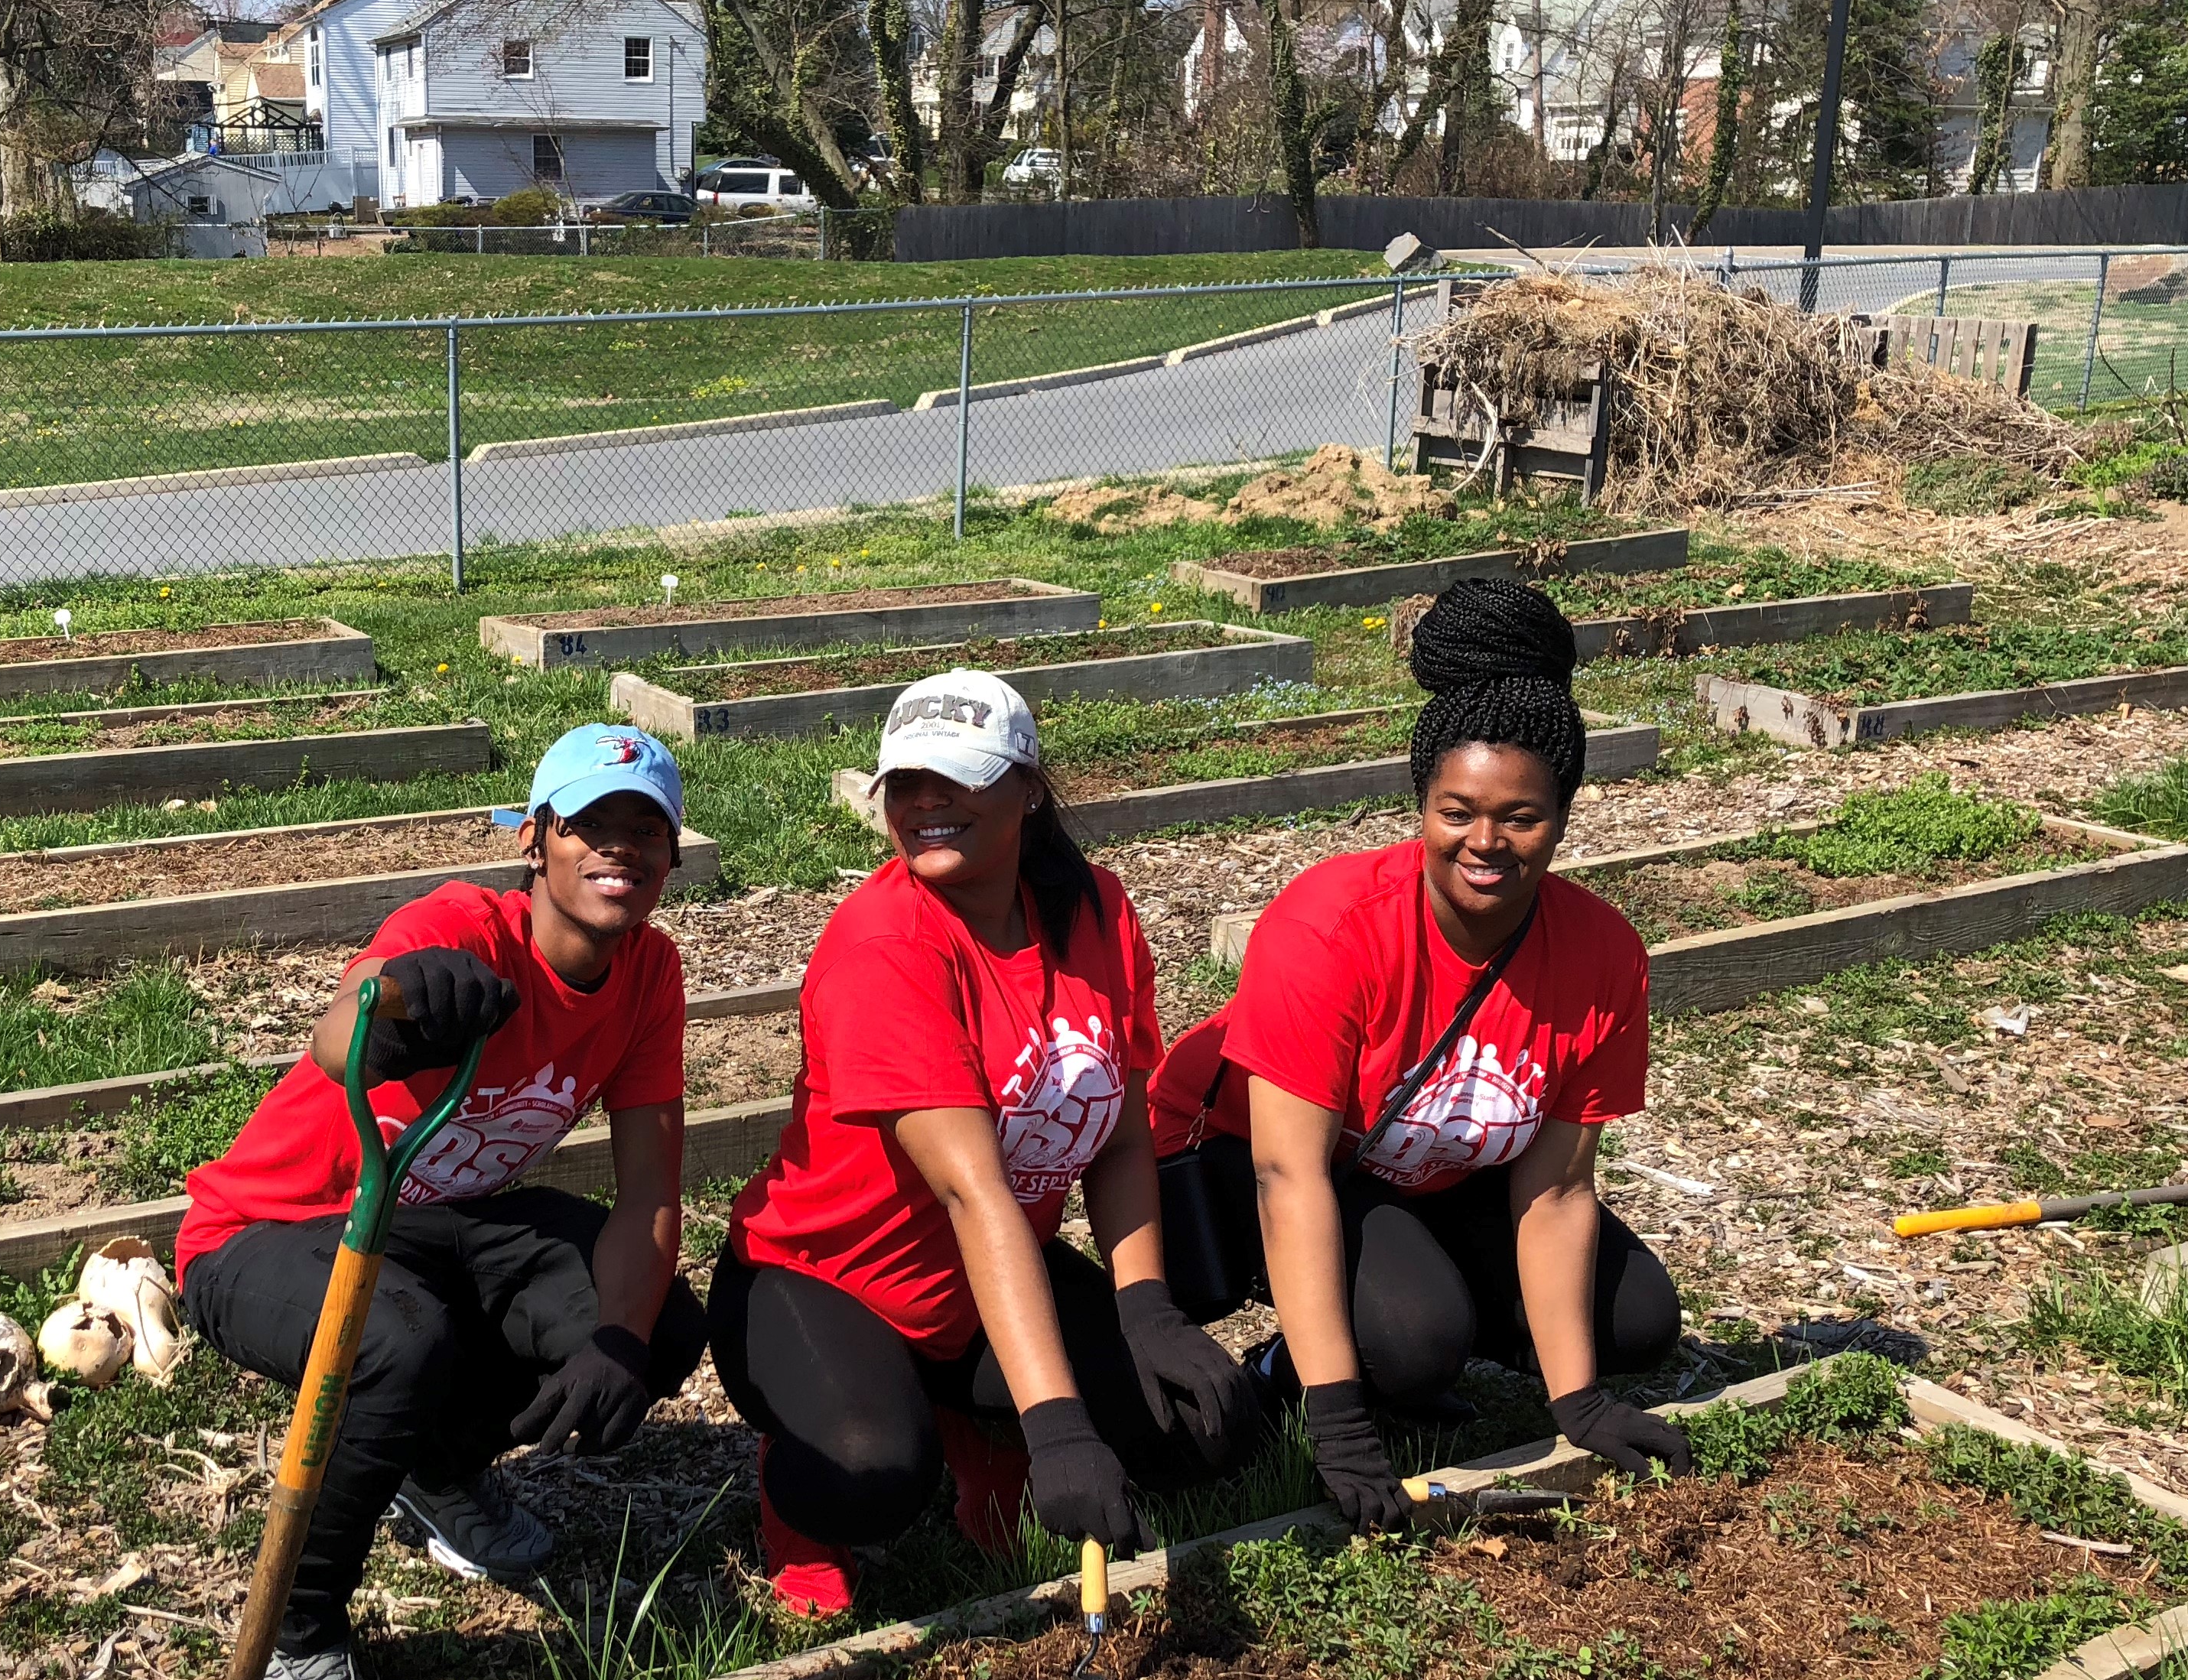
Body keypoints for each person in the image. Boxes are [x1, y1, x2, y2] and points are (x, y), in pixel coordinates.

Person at [176, 724, 705, 1680]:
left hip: (438, 1223)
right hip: (264, 1232)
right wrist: (407, 1006)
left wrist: (621, 1345)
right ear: (536, 840)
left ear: (672, 859)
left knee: (656, 1319)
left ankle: (443, 1471)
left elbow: (650, 1190)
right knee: (398, 1344)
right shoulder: (463, 924)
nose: (622, 850)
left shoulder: (649, 973)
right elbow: (343, 1034)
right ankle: (303, 1634)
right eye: (592, 825)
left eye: (647, 831)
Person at [710, 670, 1271, 1617]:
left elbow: (1123, 1139)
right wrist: (1056, 1427)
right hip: (822, 1283)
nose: (927, 803)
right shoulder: (883, 946)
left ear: (1028, 790)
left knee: (1197, 1436)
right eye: (906, 782)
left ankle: (977, 1428)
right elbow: (975, 1192)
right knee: (876, 1473)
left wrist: (1146, 1312)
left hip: (981, 1284)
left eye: (959, 780)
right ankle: (798, 1501)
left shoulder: (1094, 909)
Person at [1148, 576, 1690, 1532]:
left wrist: (1578, 1403)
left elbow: (1558, 1191)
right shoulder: (1332, 928)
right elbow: (1288, 1174)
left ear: (1563, 814)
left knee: (1636, 1320)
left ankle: (1414, 1314)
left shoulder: (1603, 955)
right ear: (1422, 804)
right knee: (1414, 1339)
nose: (1486, 842)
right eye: (1457, 810)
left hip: (1435, 1174)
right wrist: (1341, 1423)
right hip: (1267, 1161)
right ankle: (1300, 1363)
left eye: (1520, 816)